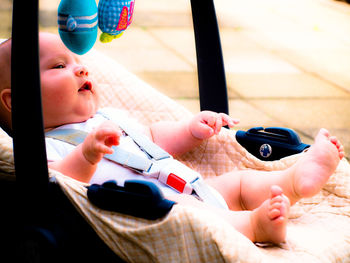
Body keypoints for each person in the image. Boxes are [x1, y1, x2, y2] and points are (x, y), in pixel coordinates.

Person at [0, 33, 345, 245]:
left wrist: (190, 129)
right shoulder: (38, 147)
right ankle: (255, 227)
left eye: (77, 61)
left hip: (188, 182)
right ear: (16, 101)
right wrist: (88, 155)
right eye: (59, 66)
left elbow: (152, 138)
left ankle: (294, 180)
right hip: (154, 207)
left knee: (237, 183)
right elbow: (60, 181)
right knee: (197, 213)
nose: (81, 69)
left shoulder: (108, 117)